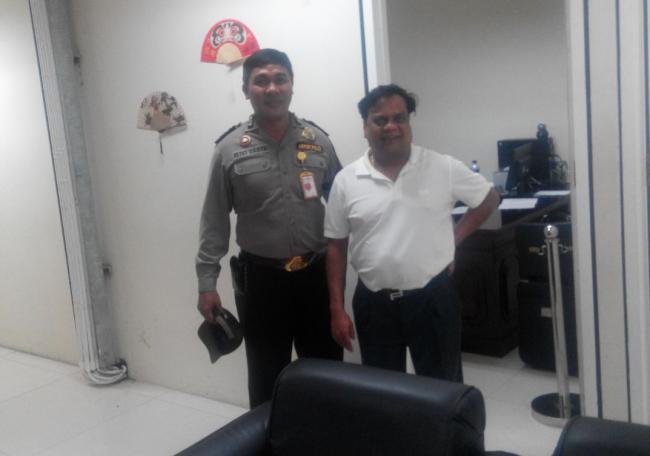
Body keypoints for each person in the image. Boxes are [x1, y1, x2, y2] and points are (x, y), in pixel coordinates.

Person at [196, 48, 343, 407]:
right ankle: (270, 436)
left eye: (280, 79)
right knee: (266, 377)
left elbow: (345, 206)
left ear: (292, 85)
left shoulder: (318, 141)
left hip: (315, 277)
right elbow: (214, 220)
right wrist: (207, 283)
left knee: (326, 374)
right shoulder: (229, 149)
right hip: (262, 283)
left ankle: (323, 435)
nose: (272, 88)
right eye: (261, 81)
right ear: (246, 89)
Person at [324, 84, 500, 382]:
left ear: (409, 122)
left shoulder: (441, 166)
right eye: (380, 120)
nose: (391, 127)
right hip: (374, 302)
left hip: (433, 298)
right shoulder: (346, 180)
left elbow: (489, 199)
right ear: (365, 127)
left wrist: (453, 240)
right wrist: (336, 309)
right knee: (383, 390)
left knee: (443, 389)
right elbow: (336, 246)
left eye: (399, 118)